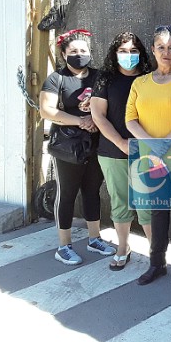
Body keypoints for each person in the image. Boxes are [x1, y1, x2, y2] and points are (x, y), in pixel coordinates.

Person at [125, 25, 171, 287]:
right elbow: (130, 119)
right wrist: (153, 144)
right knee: (157, 211)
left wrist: (165, 143)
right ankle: (157, 264)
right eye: (161, 47)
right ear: (153, 49)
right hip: (151, 157)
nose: (166, 52)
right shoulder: (140, 83)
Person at [39, 28, 116, 265]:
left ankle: (95, 238)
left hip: (96, 143)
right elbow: (47, 110)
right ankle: (64, 245)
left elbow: (110, 103)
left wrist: (96, 120)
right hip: (68, 146)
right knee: (67, 193)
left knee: (92, 190)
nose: (79, 54)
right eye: (74, 51)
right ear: (64, 54)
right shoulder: (56, 79)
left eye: (84, 50)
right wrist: (80, 120)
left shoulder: (100, 76)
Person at [91, 32, 152, 271]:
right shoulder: (106, 79)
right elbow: (98, 116)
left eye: (133, 51)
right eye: (123, 51)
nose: (128, 56)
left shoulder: (150, 78)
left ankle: (155, 253)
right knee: (120, 203)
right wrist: (120, 142)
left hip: (146, 151)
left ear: (142, 53)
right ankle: (123, 247)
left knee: (148, 204)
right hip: (111, 151)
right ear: (114, 54)